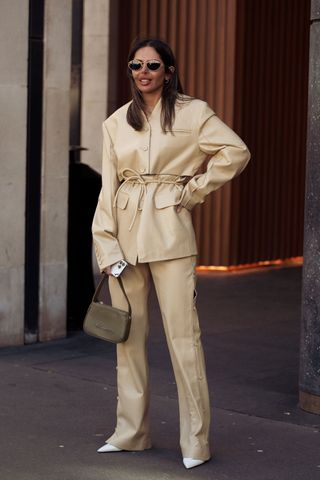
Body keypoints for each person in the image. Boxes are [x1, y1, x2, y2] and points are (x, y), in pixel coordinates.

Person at [92, 38, 250, 469]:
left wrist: (193, 190)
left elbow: (235, 151)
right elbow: (109, 188)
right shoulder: (115, 123)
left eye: (152, 64)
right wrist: (105, 245)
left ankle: (195, 442)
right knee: (128, 339)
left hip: (171, 237)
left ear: (169, 69)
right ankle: (131, 433)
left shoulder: (193, 113)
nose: (143, 71)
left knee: (185, 341)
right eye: (136, 65)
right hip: (123, 237)